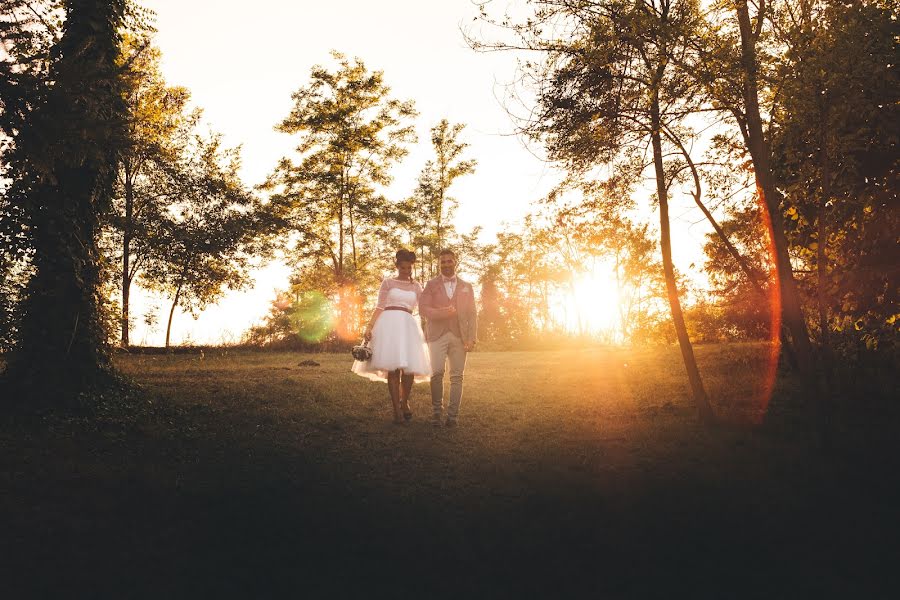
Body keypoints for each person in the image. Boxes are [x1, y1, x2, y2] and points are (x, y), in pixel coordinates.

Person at [352, 249, 431, 424]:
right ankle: (396, 409)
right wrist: (370, 326)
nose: (406, 271)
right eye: (403, 268)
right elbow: (379, 306)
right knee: (393, 369)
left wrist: (429, 325)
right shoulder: (387, 283)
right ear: (397, 266)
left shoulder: (416, 286)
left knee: (409, 369)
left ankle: (404, 401)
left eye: (409, 268)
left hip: (408, 326)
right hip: (388, 325)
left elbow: (424, 308)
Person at [418, 249, 477, 427]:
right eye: (442, 262)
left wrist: (471, 338)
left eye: (449, 261)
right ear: (439, 264)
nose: (446, 264)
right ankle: (436, 412)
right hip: (436, 335)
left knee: (457, 376)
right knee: (436, 373)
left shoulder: (467, 286)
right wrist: (443, 312)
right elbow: (423, 309)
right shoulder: (431, 285)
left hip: (460, 336)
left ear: (455, 262)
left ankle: (452, 416)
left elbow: (473, 314)